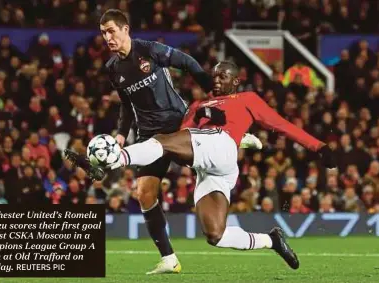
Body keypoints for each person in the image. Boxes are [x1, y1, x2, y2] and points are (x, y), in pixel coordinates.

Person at [105, 61, 337, 269]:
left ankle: (113, 158)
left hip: (222, 146)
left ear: (236, 81)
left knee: (161, 141)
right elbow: (182, 135)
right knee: (216, 234)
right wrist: (200, 116)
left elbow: (282, 125)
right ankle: (272, 240)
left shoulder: (248, 99)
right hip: (209, 168)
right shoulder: (198, 104)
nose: (216, 80)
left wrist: (319, 147)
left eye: (222, 77)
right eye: (214, 76)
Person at [71, 9, 212, 274]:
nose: (107, 37)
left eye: (111, 31)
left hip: (177, 124)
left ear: (126, 29)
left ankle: (237, 137)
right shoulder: (112, 68)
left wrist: (213, 94)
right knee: (144, 193)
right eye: (103, 33)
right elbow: (126, 104)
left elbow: (189, 63)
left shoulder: (150, 50)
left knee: (209, 165)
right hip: (148, 134)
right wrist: (122, 134)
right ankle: (169, 258)